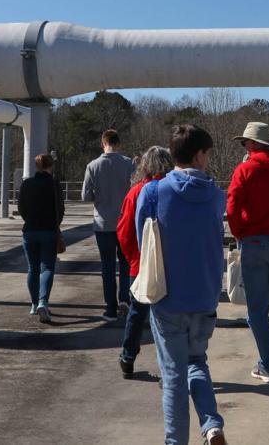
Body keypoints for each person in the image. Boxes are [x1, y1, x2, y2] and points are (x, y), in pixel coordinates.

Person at [135, 125, 227, 445]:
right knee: (197, 362)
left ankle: (177, 441)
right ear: (199, 154)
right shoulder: (217, 196)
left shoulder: (153, 192)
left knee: (173, 375)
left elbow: (140, 239)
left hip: (167, 295)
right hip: (205, 293)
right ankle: (212, 424)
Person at [227, 121, 269, 384]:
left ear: (254, 144)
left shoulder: (245, 170)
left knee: (257, 308)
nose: (244, 146)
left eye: (245, 142)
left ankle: (267, 364)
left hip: (253, 241)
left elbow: (233, 206)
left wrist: (239, 232)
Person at [117, 145, 173, 379]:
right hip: (169, 265)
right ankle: (167, 367)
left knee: (137, 314)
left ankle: (128, 356)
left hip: (140, 264)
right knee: (166, 318)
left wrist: (133, 258)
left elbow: (124, 231)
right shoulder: (173, 190)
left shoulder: (136, 192)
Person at [82, 129, 135, 321]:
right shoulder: (129, 164)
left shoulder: (93, 165)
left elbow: (85, 195)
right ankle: (125, 299)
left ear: (103, 143)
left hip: (103, 223)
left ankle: (110, 308)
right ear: (118, 144)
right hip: (125, 222)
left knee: (107, 266)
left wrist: (100, 197)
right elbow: (136, 190)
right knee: (126, 262)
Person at [17, 152, 64, 324]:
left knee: (32, 268)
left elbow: (21, 207)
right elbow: (60, 209)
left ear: (36, 166)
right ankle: (43, 302)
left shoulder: (26, 184)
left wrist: (29, 219)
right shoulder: (54, 184)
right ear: (50, 166)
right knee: (47, 268)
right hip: (49, 231)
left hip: (29, 231)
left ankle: (34, 303)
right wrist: (55, 223)